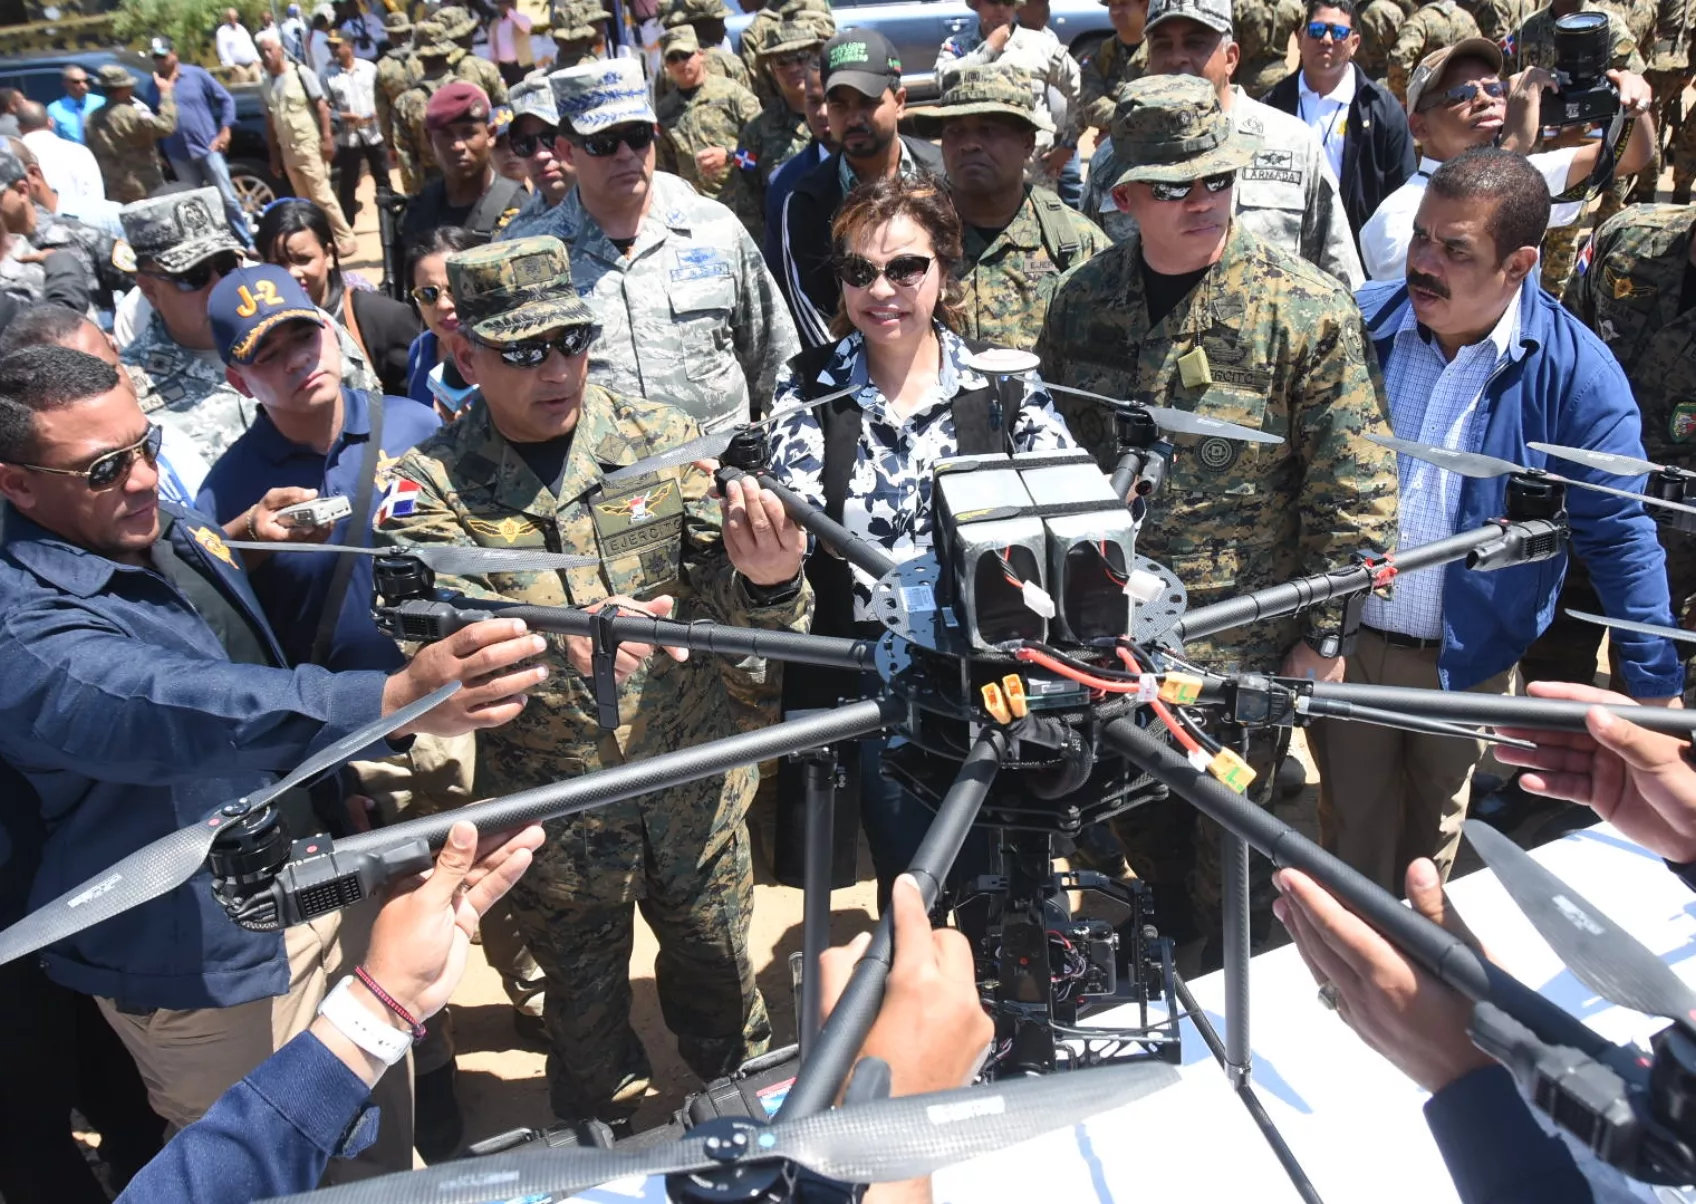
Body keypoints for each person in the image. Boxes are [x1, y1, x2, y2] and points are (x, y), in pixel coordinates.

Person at [0, 342, 549, 1174]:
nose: (145, 479)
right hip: (210, 963)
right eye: (105, 467)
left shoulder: (136, 518)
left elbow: (219, 645)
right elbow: (168, 705)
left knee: (375, 1139)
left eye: (146, 446)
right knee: (272, 1166)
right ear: (16, 483)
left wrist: (241, 541)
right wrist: (386, 703)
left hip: (314, 877)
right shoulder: (24, 629)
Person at [381, 233, 810, 1132]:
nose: (557, 369)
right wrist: (545, 644)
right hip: (558, 829)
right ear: (464, 353)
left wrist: (768, 579)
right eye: (523, 351)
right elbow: (427, 639)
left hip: (690, 796)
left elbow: (740, 611)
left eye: (571, 341)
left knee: (730, 1016)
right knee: (587, 1054)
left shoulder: (658, 442)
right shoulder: (428, 487)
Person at [1038, 73, 1399, 962]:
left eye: (1219, 178)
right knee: (1140, 841)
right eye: (1174, 185)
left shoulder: (1301, 307)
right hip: (1112, 648)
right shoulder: (1084, 304)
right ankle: (1170, 971)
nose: (1203, 200)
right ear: (1125, 196)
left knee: (1234, 861)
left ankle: (1225, 1006)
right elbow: (1046, 457)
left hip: (1240, 655)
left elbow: (1355, 488)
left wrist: (1324, 634)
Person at [1310, 148, 1682, 897]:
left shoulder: (1575, 374)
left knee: (1430, 836)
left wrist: (1654, 687)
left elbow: (1619, 534)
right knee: (1351, 832)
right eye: (1421, 238)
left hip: (1466, 661)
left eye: (1455, 250)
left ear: (1518, 265)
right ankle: (1347, 984)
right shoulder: (1363, 328)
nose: (1423, 263)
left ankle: (1416, 980)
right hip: (1347, 646)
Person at [766, 175, 1076, 900]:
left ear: (945, 268)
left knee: (1024, 884)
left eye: (907, 267)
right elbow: (797, 519)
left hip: (998, 677)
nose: (884, 289)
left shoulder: (1004, 385)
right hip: (882, 695)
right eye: (859, 272)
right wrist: (770, 555)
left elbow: (1066, 500)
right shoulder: (808, 387)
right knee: (916, 891)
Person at [195, 263, 438, 674]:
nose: (298, 361)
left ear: (328, 329)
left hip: (452, 702)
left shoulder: (417, 425)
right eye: (268, 355)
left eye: (305, 336)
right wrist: (247, 537)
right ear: (239, 383)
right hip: (341, 720)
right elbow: (210, 614)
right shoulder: (226, 491)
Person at [534, 59, 799, 435]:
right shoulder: (538, 257)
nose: (626, 154)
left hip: (724, 479)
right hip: (608, 484)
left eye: (639, 135)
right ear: (565, 150)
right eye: (604, 142)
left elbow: (778, 361)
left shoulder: (714, 226)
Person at [1080, 0, 1365, 288]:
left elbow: (1340, 279)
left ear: (1230, 57)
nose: (1177, 58)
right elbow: (1085, 278)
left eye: (1195, 43)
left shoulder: (1292, 144)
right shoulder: (1115, 159)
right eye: (1162, 45)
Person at [1357, 39, 1655, 281]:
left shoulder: (1524, 174)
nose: (1484, 99)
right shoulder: (1397, 217)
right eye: (1461, 94)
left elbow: (1630, 156)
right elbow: (1440, 293)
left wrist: (1629, 102)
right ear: (1419, 127)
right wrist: (1514, 145)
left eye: (1495, 89)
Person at [119, 188, 382, 462]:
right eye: (193, 277)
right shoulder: (131, 391)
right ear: (149, 289)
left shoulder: (310, 324)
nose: (218, 285)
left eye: (226, 265)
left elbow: (375, 415)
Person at [1558, 204, 1696, 660]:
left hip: (1681, 554)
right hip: (1577, 516)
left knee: (1655, 707)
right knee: (1550, 692)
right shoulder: (1629, 240)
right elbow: (1560, 356)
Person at [779, 29, 945, 349]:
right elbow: (813, 313)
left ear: (899, 102)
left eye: (867, 103)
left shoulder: (942, 176)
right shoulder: (806, 202)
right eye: (839, 105)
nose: (853, 119)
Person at [936, 64, 1110, 352]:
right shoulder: (916, 238)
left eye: (988, 130)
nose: (969, 145)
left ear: (1027, 143)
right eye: (955, 131)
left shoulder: (1074, 243)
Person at [0, 305, 212, 506]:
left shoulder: (162, 431)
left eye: (109, 374)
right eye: (107, 468)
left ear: (113, 347)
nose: (146, 477)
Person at [1265, 0, 1416, 252]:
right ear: (1301, 38)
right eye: (1316, 30)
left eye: (1338, 33)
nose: (1326, 39)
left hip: (1359, 258)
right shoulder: (1273, 106)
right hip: (1287, 255)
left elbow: (1404, 194)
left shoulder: (1382, 110)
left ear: (1354, 43)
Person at [258, 199, 420, 397]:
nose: (293, 273)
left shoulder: (382, 318)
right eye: (279, 264)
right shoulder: (262, 335)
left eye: (303, 259)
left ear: (328, 254)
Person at [934, 0, 1085, 207]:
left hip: (1033, 178)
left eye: (1008, 3)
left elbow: (1083, 91)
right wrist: (987, 50)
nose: (1001, 9)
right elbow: (943, 82)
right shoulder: (959, 46)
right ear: (977, 5)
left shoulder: (1040, 45)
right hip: (977, 175)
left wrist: (1068, 145)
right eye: (993, 2)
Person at [142, 36, 254, 251]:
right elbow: (155, 121)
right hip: (178, 154)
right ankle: (217, 249)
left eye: (163, 56)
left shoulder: (196, 75)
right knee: (195, 205)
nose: (160, 62)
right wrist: (159, 152)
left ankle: (246, 243)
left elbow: (226, 99)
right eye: (156, 58)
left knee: (227, 199)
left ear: (174, 54)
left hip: (207, 148)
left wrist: (225, 129)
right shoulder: (153, 87)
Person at [258, 30, 359, 260]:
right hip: (288, 150)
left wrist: (327, 139)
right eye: (262, 51)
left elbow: (322, 107)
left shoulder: (301, 74)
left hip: (309, 145)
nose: (266, 55)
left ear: (280, 50)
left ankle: (346, 238)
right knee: (304, 201)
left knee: (322, 195)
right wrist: (274, 156)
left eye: (269, 50)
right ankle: (322, 240)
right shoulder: (265, 84)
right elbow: (270, 121)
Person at [398, 81, 525, 248]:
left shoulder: (520, 208)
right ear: (429, 139)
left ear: (490, 135)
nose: (458, 146)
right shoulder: (419, 211)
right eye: (446, 135)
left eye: (469, 133)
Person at [729, 20, 821, 237]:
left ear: (817, 57)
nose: (794, 68)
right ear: (771, 68)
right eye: (783, 61)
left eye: (802, 57)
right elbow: (747, 203)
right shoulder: (755, 133)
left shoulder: (840, 117)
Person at [656, 24, 763, 202]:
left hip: (743, 208)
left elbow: (763, 151)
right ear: (667, 65)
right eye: (673, 58)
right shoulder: (664, 112)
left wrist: (730, 156)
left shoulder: (732, 94)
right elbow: (666, 171)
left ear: (700, 54)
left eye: (686, 55)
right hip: (697, 212)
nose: (681, 63)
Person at [403, 225, 484, 410]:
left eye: (455, 289)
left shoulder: (506, 357)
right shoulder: (420, 349)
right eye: (427, 294)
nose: (443, 305)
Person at [325, 29, 392, 227]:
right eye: (330, 46)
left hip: (373, 132)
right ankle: (347, 225)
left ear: (349, 46)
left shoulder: (370, 69)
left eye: (337, 45)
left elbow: (383, 97)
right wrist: (344, 116)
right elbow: (326, 108)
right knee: (348, 182)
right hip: (348, 136)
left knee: (383, 177)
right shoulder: (329, 75)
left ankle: (389, 220)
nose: (333, 50)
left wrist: (377, 113)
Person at [84, 63, 176, 205]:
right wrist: (166, 94)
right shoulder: (131, 115)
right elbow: (166, 126)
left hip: (115, 188)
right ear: (123, 88)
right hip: (144, 184)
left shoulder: (91, 119)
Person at [500, 74, 573, 240]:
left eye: (552, 138)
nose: (540, 155)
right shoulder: (516, 236)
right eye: (525, 144)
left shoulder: (628, 208)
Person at [391, 21, 460, 196]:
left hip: (432, 183)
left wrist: (415, 197)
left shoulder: (406, 102)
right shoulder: (469, 90)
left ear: (419, 57)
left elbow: (405, 155)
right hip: (473, 177)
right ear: (447, 52)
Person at [19, 98, 109, 223]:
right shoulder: (79, 151)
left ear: (19, 128)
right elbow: (96, 199)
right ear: (51, 122)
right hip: (87, 230)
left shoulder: (13, 157)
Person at [655, 0, 757, 109]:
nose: (724, 28)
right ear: (701, 25)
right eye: (719, 22)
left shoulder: (670, 65)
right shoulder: (728, 61)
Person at [1079, 0, 1151, 139]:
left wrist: (1116, 130)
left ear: (1145, 6)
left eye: (1123, 4)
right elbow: (1091, 106)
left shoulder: (1161, 51)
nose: (1116, 11)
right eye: (1112, 5)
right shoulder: (1101, 55)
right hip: (1115, 153)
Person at [1385, 0, 1483, 101]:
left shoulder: (1420, 20)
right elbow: (1481, 54)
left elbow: (1400, 60)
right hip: (1465, 96)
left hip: (1429, 101)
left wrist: (1405, 98)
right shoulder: (1467, 18)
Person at [434, 4, 509, 104]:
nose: (472, 36)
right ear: (464, 35)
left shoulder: (427, 68)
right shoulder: (482, 67)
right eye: (471, 31)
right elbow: (503, 105)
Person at [1233, 0, 1305, 96]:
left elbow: (1231, 49)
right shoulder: (1294, 5)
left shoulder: (1241, 5)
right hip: (1280, 81)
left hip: (1246, 83)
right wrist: (1298, 75)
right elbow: (1307, 43)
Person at [374, 10, 420, 155]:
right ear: (409, 31)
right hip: (431, 124)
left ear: (389, 35)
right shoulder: (426, 56)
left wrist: (389, 142)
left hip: (402, 131)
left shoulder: (382, 67)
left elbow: (382, 109)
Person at [48, 63, 104, 144]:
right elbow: (55, 141)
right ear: (65, 83)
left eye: (86, 81)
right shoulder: (54, 110)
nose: (83, 85)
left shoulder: (101, 102)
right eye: (76, 82)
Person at [491, 0, 535, 87]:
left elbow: (527, 26)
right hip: (505, 69)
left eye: (503, 3)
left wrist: (510, 11)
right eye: (499, 3)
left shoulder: (521, 19)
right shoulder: (495, 23)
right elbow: (493, 49)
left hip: (523, 67)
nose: (501, 6)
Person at [217, 7, 264, 85]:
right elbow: (222, 51)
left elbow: (250, 44)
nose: (233, 19)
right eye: (230, 17)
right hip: (238, 67)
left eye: (234, 17)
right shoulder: (222, 32)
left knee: (261, 87)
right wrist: (232, 66)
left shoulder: (241, 29)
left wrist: (258, 59)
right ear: (226, 18)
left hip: (252, 65)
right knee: (245, 92)